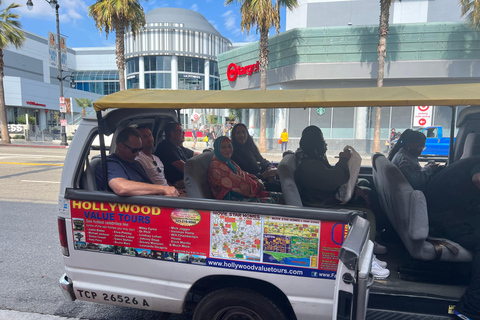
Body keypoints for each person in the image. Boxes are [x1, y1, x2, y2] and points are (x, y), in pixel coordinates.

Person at [390, 130, 480, 319]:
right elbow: (477, 179)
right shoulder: (476, 162)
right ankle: (471, 307)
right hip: (443, 219)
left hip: (445, 215)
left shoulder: (464, 163)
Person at [294, 125, 388, 278]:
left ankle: (368, 248)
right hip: (321, 206)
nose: (325, 144)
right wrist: (343, 159)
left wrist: (354, 187)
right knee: (367, 216)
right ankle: (365, 259)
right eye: (322, 141)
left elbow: (330, 177)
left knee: (365, 202)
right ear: (315, 144)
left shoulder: (313, 160)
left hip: (325, 199)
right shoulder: (309, 165)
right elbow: (336, 178)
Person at [95, 127, 179, 197]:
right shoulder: (111, 164)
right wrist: (163, 189)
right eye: (134, 150)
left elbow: (148, 186)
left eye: (139, 149)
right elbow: (122, 188)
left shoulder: (136, 164)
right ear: (120, 146)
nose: (137, 154)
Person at [208, 136, 284, 204]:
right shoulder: (216, 166)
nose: (228, 149)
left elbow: (243, 174)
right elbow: (238, 183)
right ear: (217, 149)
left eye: (229, 146)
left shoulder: (228, 162)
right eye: (223, 147)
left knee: (280, 197)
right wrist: (256, 185)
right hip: (229, 201)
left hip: (244, 192)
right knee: (270, 201)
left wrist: (257, 180)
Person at [230, 123, 279, 192]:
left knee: (282, 182)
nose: (242, 135)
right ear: (234, 135)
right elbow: (242, 177)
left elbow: (262, 160)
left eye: (244, 132)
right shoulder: (233, 153)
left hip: (264, 179)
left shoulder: (250, 146)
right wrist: (262, 176)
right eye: (238, 133)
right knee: (279, 187)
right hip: (254, 185)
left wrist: (270, 167)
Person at [155, 122, 200, 189]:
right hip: (176, 184)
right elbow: (184, 168)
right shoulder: (166, 148)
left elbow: (196, 154)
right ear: (172, 134)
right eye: (181, 131)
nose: (184, 133)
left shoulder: (179, 147)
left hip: (186, 179)